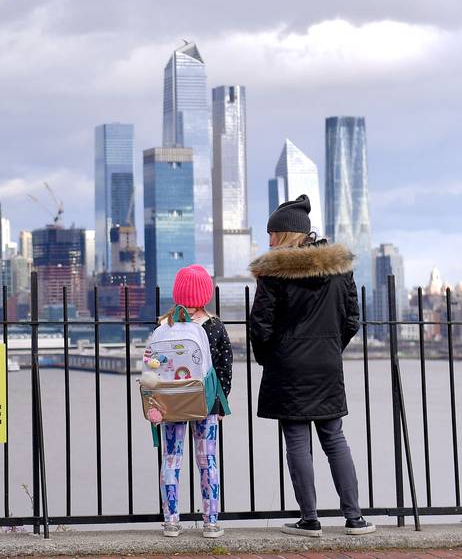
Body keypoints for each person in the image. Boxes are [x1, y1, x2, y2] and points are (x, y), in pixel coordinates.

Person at [248, 194, 376, 536]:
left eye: (271, 234)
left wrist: (271, 359)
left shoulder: (274, 273)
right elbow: (351, 319)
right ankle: (355, 518)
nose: (268, 240)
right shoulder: (338, 269)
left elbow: (260, 326)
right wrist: (330, 349)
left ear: (283, 235)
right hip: (327, 366)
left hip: (287, 368)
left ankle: (310, 519)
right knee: (335, 438)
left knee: (297, 441)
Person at [153, 264, 232, 539]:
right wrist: (221, 405)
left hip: (172, 402)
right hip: (206, 403)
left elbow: (154, 365)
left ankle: (171, 521)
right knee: (207, 460)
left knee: (171, 459)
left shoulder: (165, 326)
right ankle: (211, 521)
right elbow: (224, 368)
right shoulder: (214, 326)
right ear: (206, 295)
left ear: (177, 293)